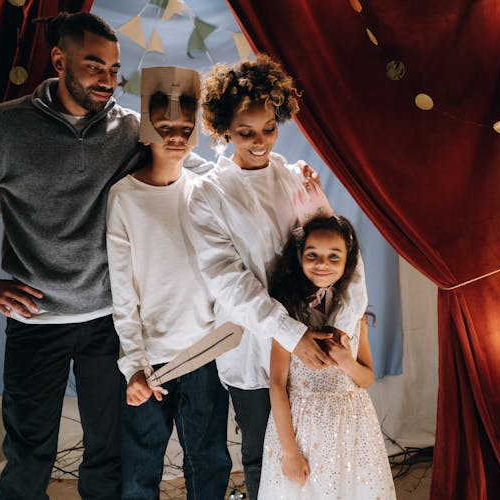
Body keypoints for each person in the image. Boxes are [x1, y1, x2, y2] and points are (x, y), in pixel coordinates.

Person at [0, 12, 136, 499]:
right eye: (93, 66)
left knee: (107, 450)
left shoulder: (129, 130)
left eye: (113, 68)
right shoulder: (7, 127)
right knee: (28, 452)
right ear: (59, 60)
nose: (107, 80)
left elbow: (189, 174)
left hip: (109, 319)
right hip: (34, 319)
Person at [187, 54, 367, 500]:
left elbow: (338, 251)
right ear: (223, 128)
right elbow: (230, 283)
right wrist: (291, 335)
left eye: (269, 128)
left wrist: (345, 328)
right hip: (254, 349)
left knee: (322, 453)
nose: (260, 141)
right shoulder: (208, 195)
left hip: (319, 347)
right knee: (264, 455)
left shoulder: (294, 179)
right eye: (246, 132)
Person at [105, 66, 231, 500]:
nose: (174, 135)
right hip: (152, 359)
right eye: (163, 128)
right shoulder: (124, 198)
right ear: (146, 132)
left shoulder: (205, 190)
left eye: (183, 127)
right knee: (141, 468)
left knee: (210, 460)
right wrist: (134, 364)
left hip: (206, 353)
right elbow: (124, 291)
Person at [258, 215, 396, 499]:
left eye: (334, 256)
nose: (322, 264)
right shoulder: (287, 314)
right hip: (302, 430)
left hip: (352, 428)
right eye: (313, 255)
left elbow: (367, 378)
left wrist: (347, 362)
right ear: (300, 257)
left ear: (348, 262)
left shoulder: (353, 314)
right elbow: (277, 383)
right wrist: (289, 452)